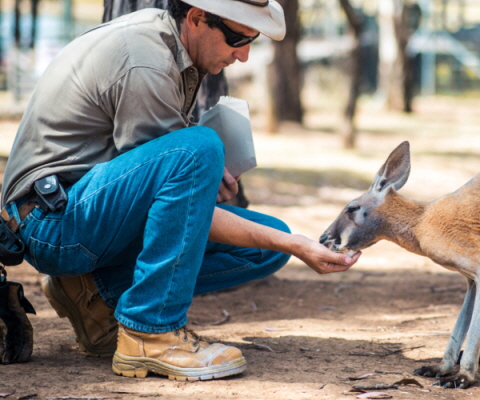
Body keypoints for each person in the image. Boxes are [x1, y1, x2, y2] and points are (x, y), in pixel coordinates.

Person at [0, 0, 360, 381]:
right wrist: (296, 245)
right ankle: (149, 332)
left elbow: (168, 208)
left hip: (82, 211)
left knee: (262, 249)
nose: (243, 55)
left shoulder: (174, 46)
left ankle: (95, 293)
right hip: (51, 225)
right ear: (196, 18)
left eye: (252, 40)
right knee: (200, 149)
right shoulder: (147, 62)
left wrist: (201, 189)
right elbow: (179, 179)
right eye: (237, 38)